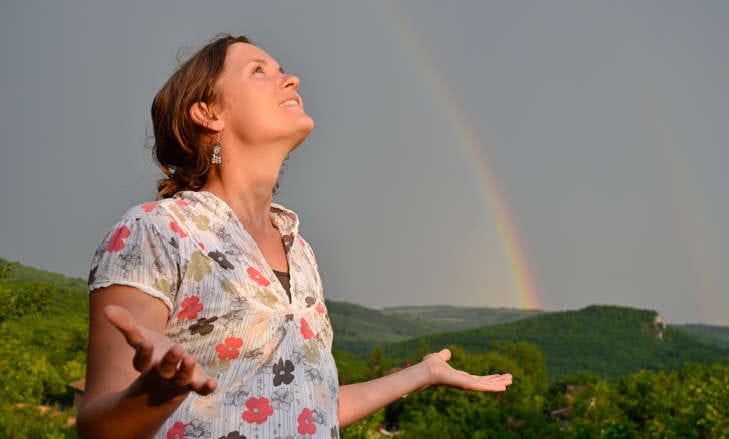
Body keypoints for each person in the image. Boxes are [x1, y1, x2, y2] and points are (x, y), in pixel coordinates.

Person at [76, 34, 513, 439]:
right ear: (208, 113)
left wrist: (420, 373)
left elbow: (306, 406)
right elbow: (96, 427)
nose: (292, 78)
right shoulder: (156, 231)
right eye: (258, 71)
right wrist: (161, 391)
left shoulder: (299, 250)